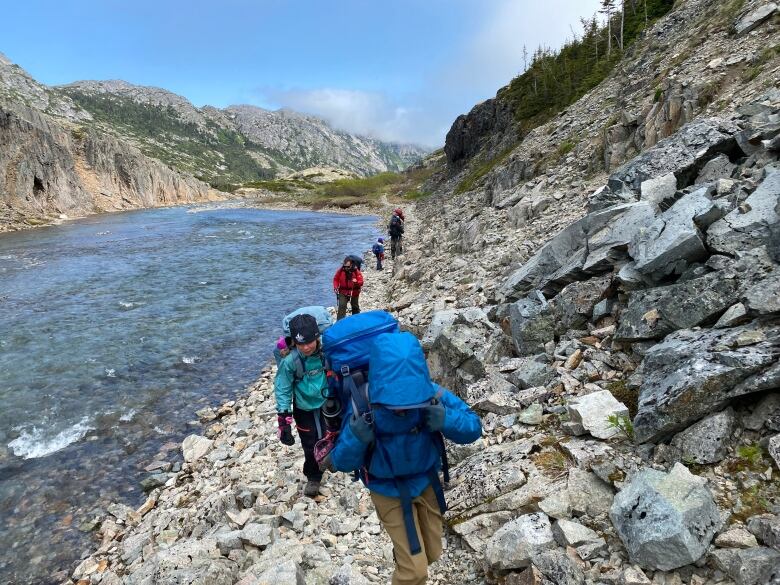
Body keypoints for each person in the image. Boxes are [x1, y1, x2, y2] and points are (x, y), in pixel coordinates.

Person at [323, 332, 482, 585]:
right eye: (395, 401)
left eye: (409, 400)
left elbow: (474, 427)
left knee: (433, 553)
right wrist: (356, 437)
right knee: (414, 572)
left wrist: (447, 420)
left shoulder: (430, 394)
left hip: (426, 481)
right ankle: (406, 563)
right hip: (387, 489)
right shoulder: (362, 404)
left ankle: (404, 556)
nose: (403, 408)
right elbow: (342, 462)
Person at [274, 313, 329, 497]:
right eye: (300, 344)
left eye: (310, 342)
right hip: (303, 408)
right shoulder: (290, 361)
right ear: (294, 342)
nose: (306, 347)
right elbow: (282, 389)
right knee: (309, 442)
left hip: (326, 402)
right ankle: (313, 475)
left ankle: (331, 459)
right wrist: (284, 421)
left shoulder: (326, 352)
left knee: (329, 434)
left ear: (317, 337)